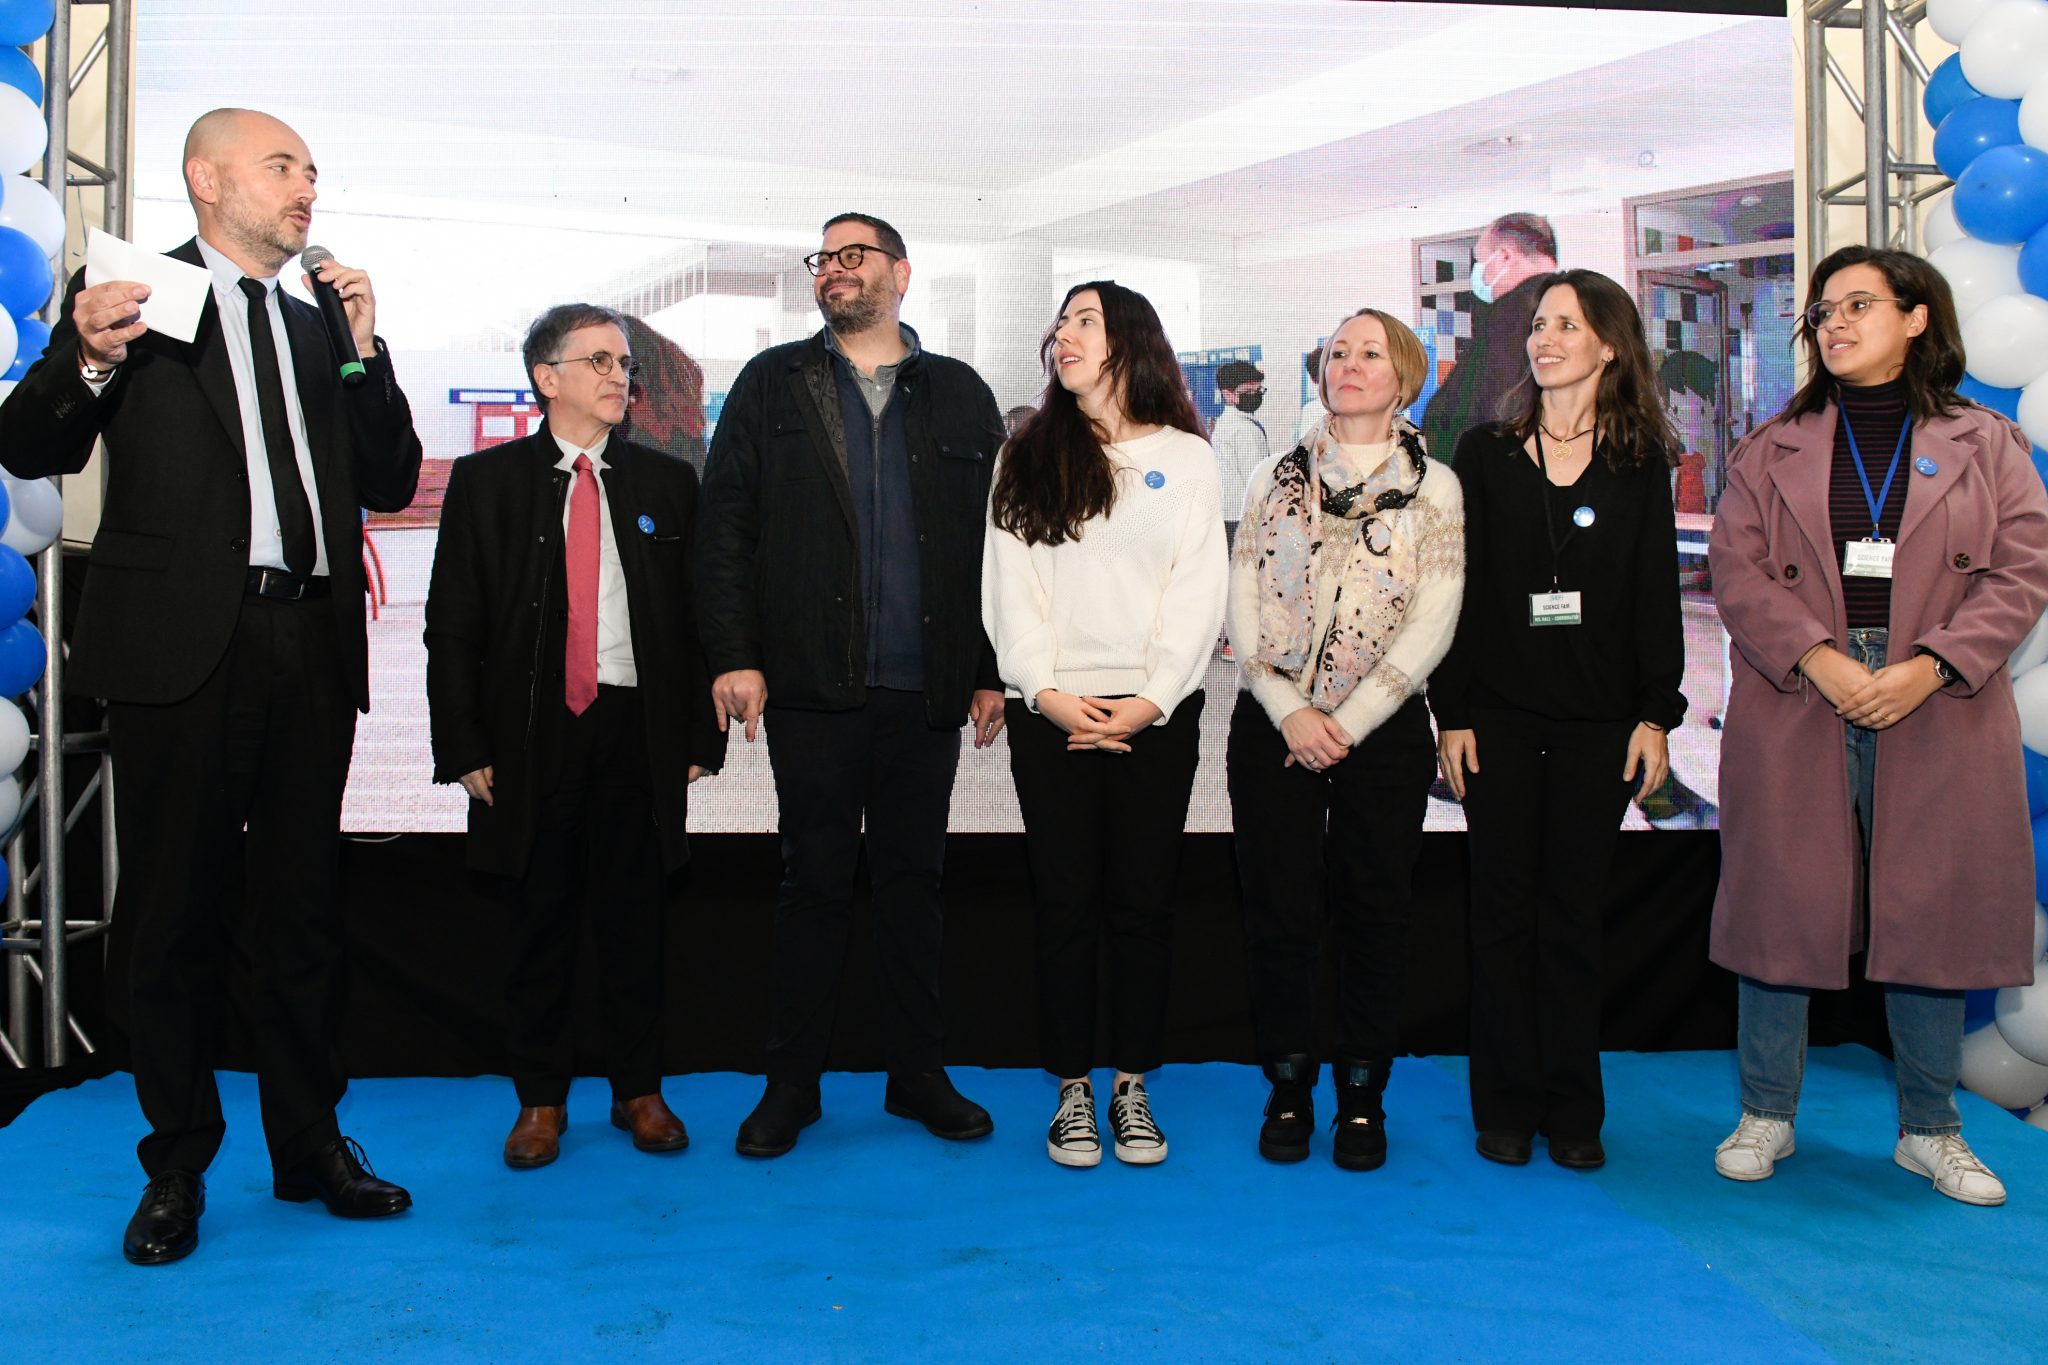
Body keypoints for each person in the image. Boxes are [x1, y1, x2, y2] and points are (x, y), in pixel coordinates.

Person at [0, 109, 423, 1264]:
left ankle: (308, 1148)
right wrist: (84, 352)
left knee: (302, 915)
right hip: (182, 646)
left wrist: (366, 347)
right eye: (284, 165)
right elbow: (32, 444)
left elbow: (387, 477)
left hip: (311, 645)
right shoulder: (138, 294)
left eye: (313, 169)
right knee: (173, 916)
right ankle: (176, 1167)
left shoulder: (317, 323)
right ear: (207, 178)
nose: (308, 186)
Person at [1706, 245, 2048, 1205]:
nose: (1835, 323)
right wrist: (1816, 655)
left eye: (1859, 304)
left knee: (1930, 905)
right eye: (1822, 311)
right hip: (1799, 689)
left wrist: (1929, 666)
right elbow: (1734, 570)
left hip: (1936, 691)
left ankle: (1931, 1129)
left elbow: (2022, 568)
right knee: (1782, 902)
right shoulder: (1770, 444)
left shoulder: (1989, 442)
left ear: (1917, 318)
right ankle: (1766, 1111)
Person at [696, 213, 1006, 1157]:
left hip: (927, 690)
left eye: (854, 255)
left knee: (915, 884)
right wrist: (733, 652)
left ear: (901, 274)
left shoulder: (957, 392)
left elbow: (998, 545)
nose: (834, 270)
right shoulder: (772, 383)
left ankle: (918, 1077)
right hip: (808, 687)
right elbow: (726, 526)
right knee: (813, 885)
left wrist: (991, 670)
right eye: (823, 258)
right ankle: (793, 1084)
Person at [425, 303, 726, 1170]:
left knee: (637, 920)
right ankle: (540, 1101)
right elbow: (453, 626)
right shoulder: (487, 483)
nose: (617, 376)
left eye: (624, 364)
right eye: (597, 361)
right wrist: (463, 743)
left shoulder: (667, 485)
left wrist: (700, 734)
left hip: (635, 728)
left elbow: (694, 619)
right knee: (538, 920)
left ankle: (640, 1090)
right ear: (546, 379)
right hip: (530, 733)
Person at [1430, 268, 1684, 1171]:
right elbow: (1456, 594)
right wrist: (1450, 712)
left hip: (1599, 726)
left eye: (1565, 326)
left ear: (1608, 344)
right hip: (1495, 718)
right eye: (1538, 325)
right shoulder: (1486, 454)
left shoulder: (1641, 459)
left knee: (1574, 918)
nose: (1543, 339)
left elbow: (1656, 594)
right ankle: (1502, 1102)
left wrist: (1658, 715)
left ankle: (1574, 1109)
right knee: (1499, 915)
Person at [982, 280, 1228, 1168]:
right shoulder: (1028, 452)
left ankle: (1131, 1086)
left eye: (1084, 320)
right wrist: (1045, 693)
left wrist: (1153, 697)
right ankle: (1071, 1092)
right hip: (1052, 713)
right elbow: (1011, 589)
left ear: (1131, 340)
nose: (1064, 334)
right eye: (1061, 323)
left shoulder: (1189, 459)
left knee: (1142, 901)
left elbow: (1199, 593)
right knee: (1065, 901)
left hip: (1155, 715)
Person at [1226, 309, 1464, 1171]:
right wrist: (1288, 707)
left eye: (1371, 354)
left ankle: (1362, 1098)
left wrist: (1349, 723)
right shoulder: (1271, 479)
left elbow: (1434, 620)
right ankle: (1288, 1086)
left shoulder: (1436, 487)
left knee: (1375, 914)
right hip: (1273, 726)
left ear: (1404, 377)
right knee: (1280, 912)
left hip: (1386, 733)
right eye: (1337, 353)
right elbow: (1243, 599)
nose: (1350, 366)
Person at [1421, 212, 1558, 463]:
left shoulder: (1514, 315)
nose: (1480, 274)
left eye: (1481, 261)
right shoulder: (1581, 310)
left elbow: (1494, 411)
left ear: (1504, 257)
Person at [1210, 358, 1271, 530]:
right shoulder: (1243, 429)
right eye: (1248, 391)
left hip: (1230, 513)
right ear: (1228, 394)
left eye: (1258, 390)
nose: (1255, 395)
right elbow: (1255, 478)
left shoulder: (1226, 422)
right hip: (1245, 516)